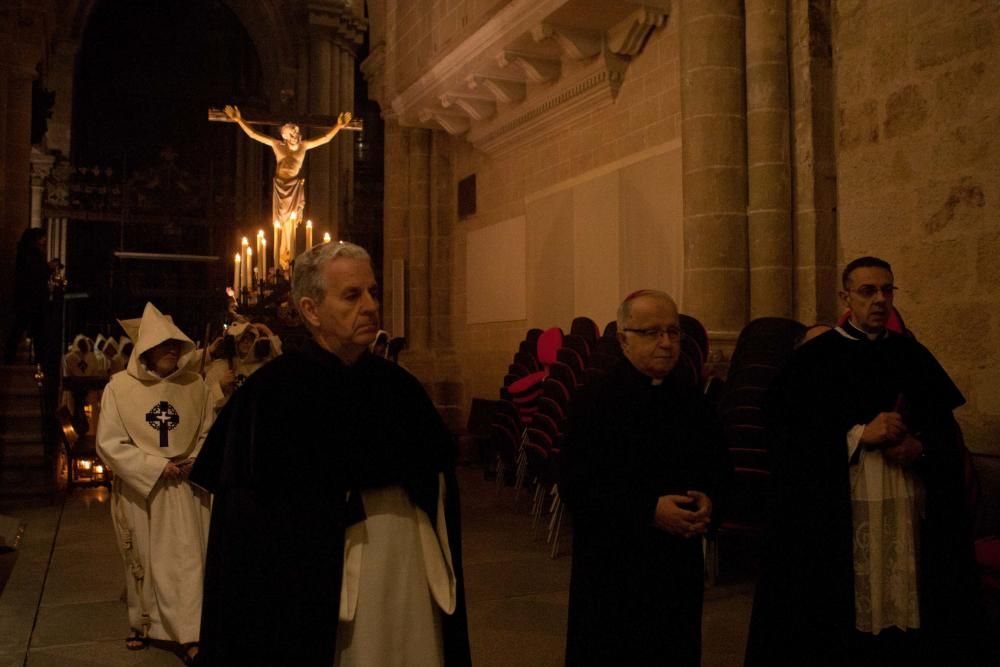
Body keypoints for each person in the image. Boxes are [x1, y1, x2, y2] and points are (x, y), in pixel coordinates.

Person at [190, 241, 470, 666]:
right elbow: (246, 535)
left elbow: (439, 480)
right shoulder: (270, 397)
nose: (371, 306)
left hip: (407, 574)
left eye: (373, 292)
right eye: (353, 295)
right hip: (318, 593)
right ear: (311, 309)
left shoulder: (400, 389)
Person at [745, 256, 985, 666]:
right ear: (846, 297)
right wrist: (857, 436)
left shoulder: (912, 355)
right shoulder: (814, 359)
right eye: (867, 290)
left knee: (904, 600)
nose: (879, 299)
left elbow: (945, 434)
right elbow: (787, 436)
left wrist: (918, 449)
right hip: (843, 508)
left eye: (887, 289)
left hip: (906, 503)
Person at [560, 289, 731, 666]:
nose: (667, 343)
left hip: (676, 565)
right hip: (614, 567)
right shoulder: (594, 402)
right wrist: (648, 510)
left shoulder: (694, 402)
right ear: (623, 338)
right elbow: (577, 485)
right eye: (652, 333)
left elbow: (720, 470)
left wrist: (709, 502)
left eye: (673, 332)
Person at [96, 302, 214, 664]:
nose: (171, 350)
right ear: (145, 348)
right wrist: (153, 466)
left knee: (189, 562)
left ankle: (190, 632)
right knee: (144, 562)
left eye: (175, 344)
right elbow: (109, 442)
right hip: (143, 492)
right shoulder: (119, 387)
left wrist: (196, 459)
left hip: (186, 488)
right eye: (163, 344)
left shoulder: (195, 385)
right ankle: (143, 624)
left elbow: (208, 430)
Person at [224, 105, 352, 268]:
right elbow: (254, 134)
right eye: (292, 133)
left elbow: (325, 138)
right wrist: (238, 119)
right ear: (285, 136)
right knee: (280, 223)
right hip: (280, 188)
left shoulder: (303, 147)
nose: (296, 135)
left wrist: (338, 126)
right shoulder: (278, 146)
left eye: (297, 132)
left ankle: (286, 259)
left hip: (293, 189)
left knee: (290, 225)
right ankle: (282, 260)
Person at [4, 227, 53, 364]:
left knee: (24, 329)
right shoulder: (30, 254)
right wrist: (48, 268)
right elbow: (35, 273)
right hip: (31, 300)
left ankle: (13, 358)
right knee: (29, 330)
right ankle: (37, 360)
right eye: (42, 238)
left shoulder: (26, 253)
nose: (44, 241)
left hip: (28, 299)